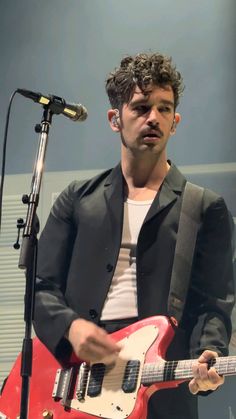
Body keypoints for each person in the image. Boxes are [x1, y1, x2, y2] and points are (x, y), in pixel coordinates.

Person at [33, 52, 235, 419]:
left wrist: (211, 353)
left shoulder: (204, 208)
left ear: (176, 121)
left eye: (164, 108)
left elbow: (214, 305)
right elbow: (41, 286)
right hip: (73, 387)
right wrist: (71, 327)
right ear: (115, 119)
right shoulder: (77, 200)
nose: (153, 117)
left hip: (161, 396)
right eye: (141, 107)